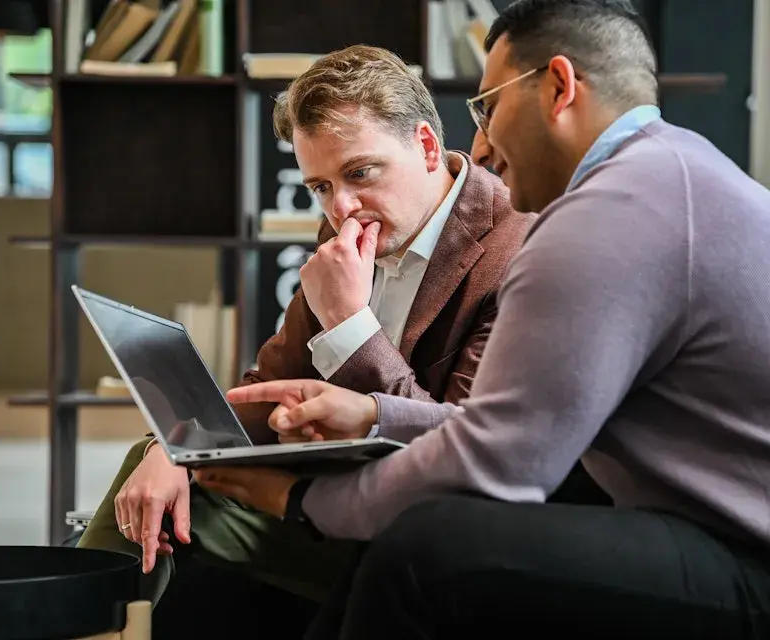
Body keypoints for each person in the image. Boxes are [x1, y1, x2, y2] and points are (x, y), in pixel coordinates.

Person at [199, 1, 770, 637]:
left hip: (746, 556)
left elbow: (500, 463)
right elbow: (520, 428)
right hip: (712, 523)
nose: (479, 142)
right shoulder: (670, 170)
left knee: (426, 548)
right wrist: (374, 414)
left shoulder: (606, 217)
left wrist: (303, 502)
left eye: (489, 107)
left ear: (559, 87)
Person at [76, 43, 537, 607]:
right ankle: (86, 616)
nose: (340, 207)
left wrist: (348, 321)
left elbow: (462, 444)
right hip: (337, 491)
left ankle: (77, 613)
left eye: (360, 172)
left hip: (427, 525)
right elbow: (272, 377)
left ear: (425, 144)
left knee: (192, 506)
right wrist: (174, 447)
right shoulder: (353, 231)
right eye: (320, 187)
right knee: (156, 472)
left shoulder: (519, 247)